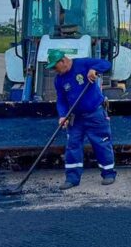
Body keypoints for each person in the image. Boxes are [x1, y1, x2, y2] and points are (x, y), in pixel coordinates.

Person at [47, 48, 117, 188]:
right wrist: (62, 116)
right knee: (72, 146)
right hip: (75, 117)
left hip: (95, 114)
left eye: (55, 66)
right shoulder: (59, 80)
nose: (55, 70)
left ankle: (108, 174)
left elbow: (106, 63)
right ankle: (72, 178)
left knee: (101, 143)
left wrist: (94, 70)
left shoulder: (83, 63)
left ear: (63, 61)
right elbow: (61, 100)